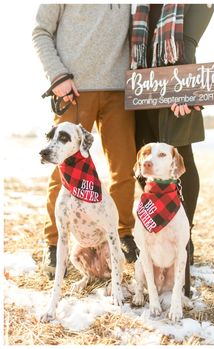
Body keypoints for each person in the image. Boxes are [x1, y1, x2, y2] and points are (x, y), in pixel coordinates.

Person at [32, 4, 138, 279]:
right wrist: (57, 76)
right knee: (62, 168)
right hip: (73, 89)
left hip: (120, 90)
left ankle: (123, 233)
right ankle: (54, 241)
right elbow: (40, 31)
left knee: (124, 169)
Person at [130, 4, 214, 264]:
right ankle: (158, 230)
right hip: (142, 85)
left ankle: (184, 238)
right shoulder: (139, 5)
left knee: (182, 157)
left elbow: (189, 39)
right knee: (145, 162)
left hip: (175, 84)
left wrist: (187, 88)